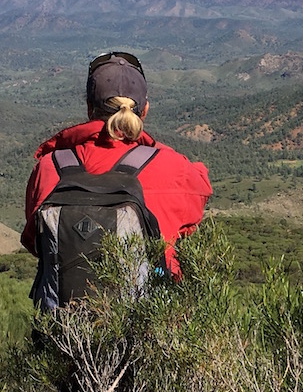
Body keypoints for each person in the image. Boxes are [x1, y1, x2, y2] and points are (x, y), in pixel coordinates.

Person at [21, 51, 212, 299]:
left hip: (63, 329)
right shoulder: (173, 167)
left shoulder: (48, 167)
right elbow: (202, 189)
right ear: (144, 111)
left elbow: (34, 242)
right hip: (149, 325)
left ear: (89, 108)